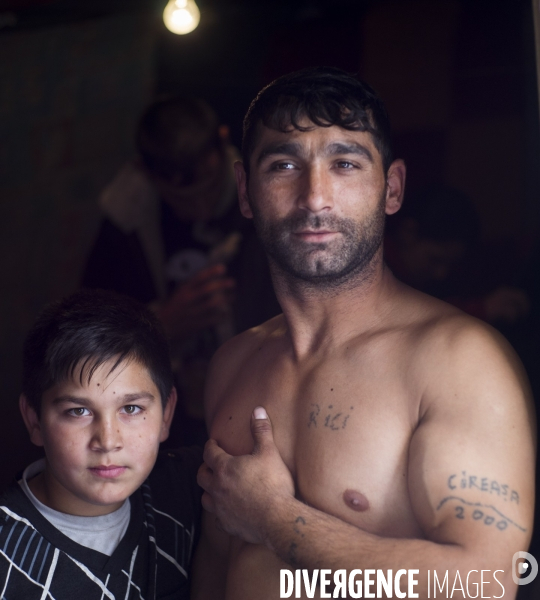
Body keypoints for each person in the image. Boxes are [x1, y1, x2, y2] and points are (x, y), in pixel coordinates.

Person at [192, 67, 535, 598]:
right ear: (245, 190)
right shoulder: (233, 364)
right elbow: (216, 569)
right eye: (283, 164)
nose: (315, 197)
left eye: (345, 163)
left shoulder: (459, 362)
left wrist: (277, 521)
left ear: (391, 188)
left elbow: (489, 582)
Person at [82, 96, 278, 445]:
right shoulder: (126, 221)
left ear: (223, 144)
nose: (199, 208)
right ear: (147, 174)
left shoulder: (269, 200)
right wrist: (162, 325)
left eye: (209, 188)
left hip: (263, 400)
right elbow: (88, 338)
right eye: (181, 198)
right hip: (166, 421)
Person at [0, 289, 202, 599]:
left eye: (131, 409)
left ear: (166, 413)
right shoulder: (7, 550)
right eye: (78, 412)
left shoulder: (191, 490)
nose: (108, 441)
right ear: (34, 420)